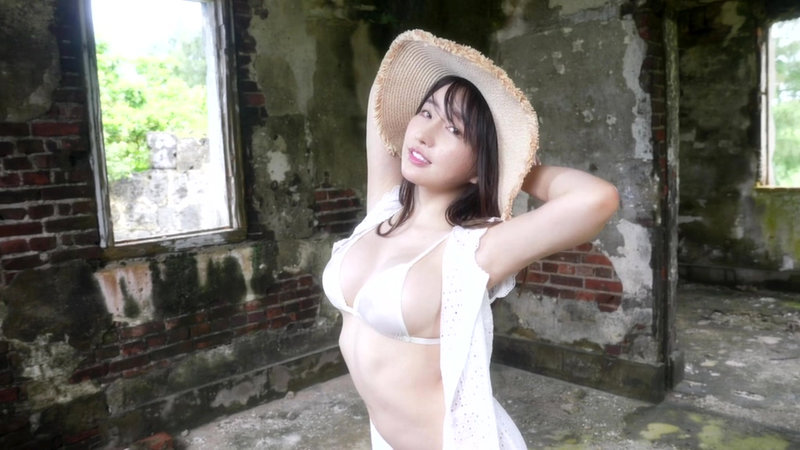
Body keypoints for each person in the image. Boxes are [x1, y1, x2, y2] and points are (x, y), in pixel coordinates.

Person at [321, 30, 619, 449]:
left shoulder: (475, 249)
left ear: (479, 166)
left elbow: (597, 200)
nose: (424, 134)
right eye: (425, 112)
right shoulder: (384, 208)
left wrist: (516, 166)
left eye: (454, 129)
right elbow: (383, 91)